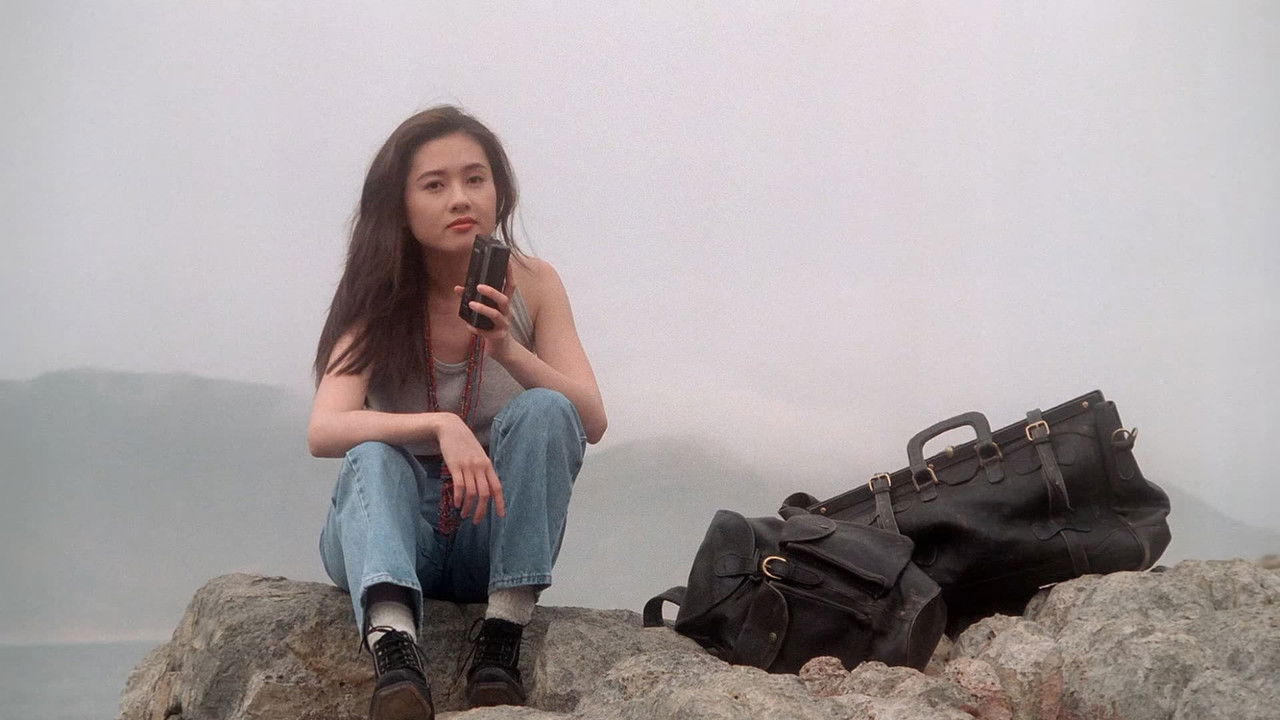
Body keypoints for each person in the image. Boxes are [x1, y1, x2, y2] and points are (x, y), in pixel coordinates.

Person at [308, 105, 606, 719]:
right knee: (372, 454)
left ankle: (501, 637)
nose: (459, 199)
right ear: (400, 204)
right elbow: (325, 428)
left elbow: (591, 420)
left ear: (500, 189)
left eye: (475, 179)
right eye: (434, 185)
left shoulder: (534, 283)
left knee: (547, 409)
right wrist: (440, 425)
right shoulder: (375, 292)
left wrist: (507, 349)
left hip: (488, 532)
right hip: (394, 532)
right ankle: (395, 653)